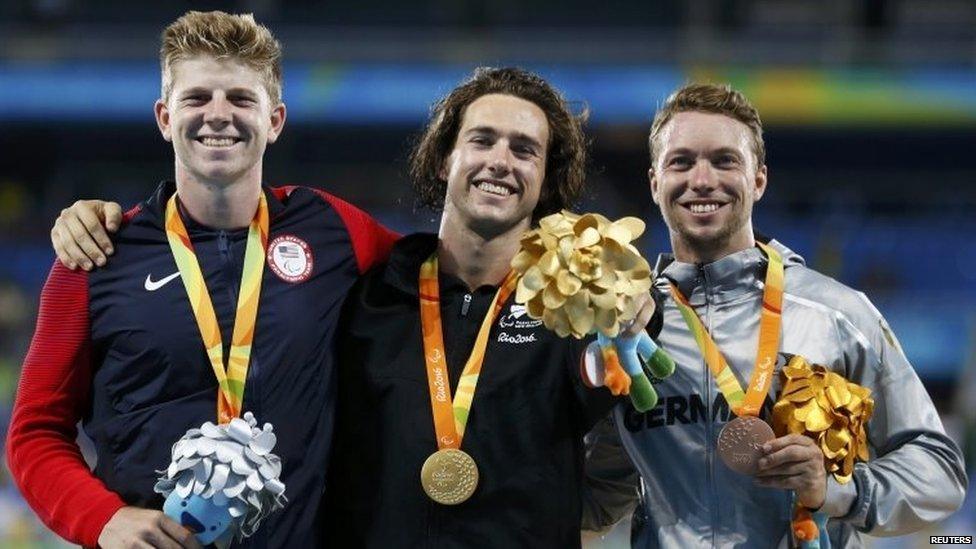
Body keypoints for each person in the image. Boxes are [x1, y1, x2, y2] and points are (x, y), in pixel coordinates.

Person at [6, 11, 396, 549]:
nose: (218, 115)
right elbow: (35, 433)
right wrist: (102, 519)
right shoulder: (97, 255)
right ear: (165, 117)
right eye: (196, 99)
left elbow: (445, 274)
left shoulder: (336, 231)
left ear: (275, 119)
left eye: (240, 98)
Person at [584, 83, 967, 547]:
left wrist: (836, 489)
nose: (702, 180)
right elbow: (600, 494)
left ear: (759, 180)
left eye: (725, 161)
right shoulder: (629, 326)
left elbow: (938, 471)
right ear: (654, 182)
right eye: (681, 162)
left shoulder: (836, 314)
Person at [321, 66, 659, 547]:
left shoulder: (570, 311)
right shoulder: (367, 299)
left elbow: (610, 373)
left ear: (544, 182)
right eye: (482, 141)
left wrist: (639, 313)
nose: (501, 161)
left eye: (524, 150)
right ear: (445, 160)